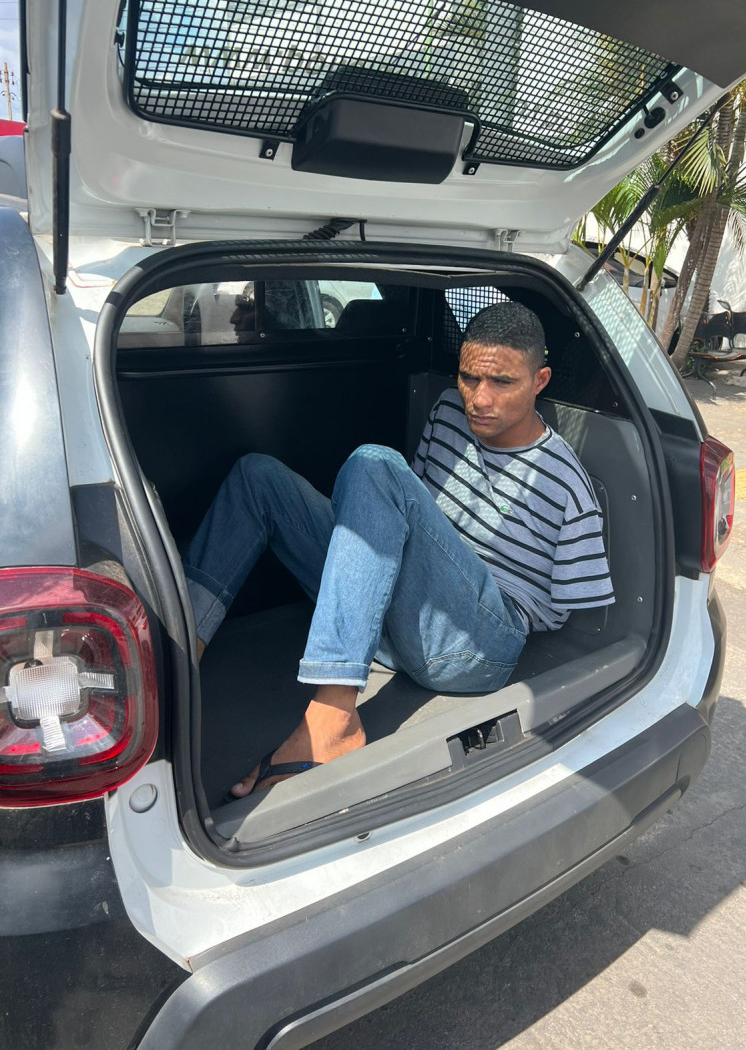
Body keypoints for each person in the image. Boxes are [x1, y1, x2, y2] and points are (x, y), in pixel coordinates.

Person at [183, 301, 614, 800]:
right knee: (258, 476)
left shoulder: (565, 481)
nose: (479, 399)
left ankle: (334, 715)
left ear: (539, 381)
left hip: (479, 646)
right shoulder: (449, 411)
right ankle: (179, 655)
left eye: (502, 382)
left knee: (375, 464)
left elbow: (565, 616)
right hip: (401, 621)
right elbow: (411, 515)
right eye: (469, 378)